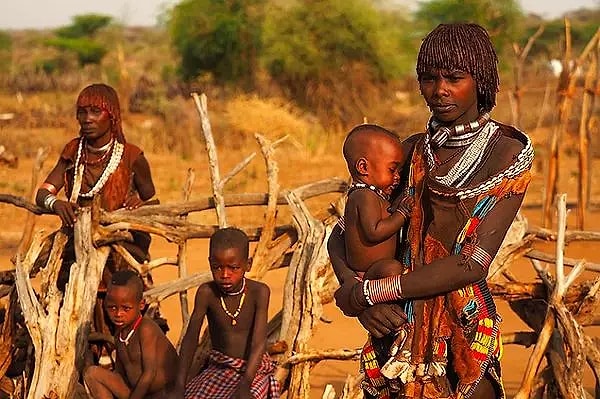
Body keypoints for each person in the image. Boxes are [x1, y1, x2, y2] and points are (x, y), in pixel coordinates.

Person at [328, 23, 534, 399]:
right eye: (428, 78)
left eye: (455, 78)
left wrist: (372, 292)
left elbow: (473, 263)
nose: (439, 90)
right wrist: (353, 293)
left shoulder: (507, 154)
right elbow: (341, 233)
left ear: (481, 79)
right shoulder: (405, 153)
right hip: (397, 327)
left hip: (462, 329)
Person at [35, 83, 157, 341]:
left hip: (120, 248)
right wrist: (56, 205)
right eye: (81, 112)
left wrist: (139, 206)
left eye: (95, 112)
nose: (87, 119)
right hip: (76, 246)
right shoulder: (72, 152)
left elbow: (154, 202)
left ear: (111, 116)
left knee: (119, 294)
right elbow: (43, 193)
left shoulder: (131, 157)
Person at [176, 227, 280, 399]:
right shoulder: (206, 293)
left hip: (253, 370)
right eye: (217, 267)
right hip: (219, 366)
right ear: (210, 262)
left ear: (248, 265)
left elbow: (259, 343)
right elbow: (190, 339)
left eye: (233, 268)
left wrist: (245, 386)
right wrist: (179, 385)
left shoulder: (259, 292)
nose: (225, 274)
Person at [84, 270, 179, 398]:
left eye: (126, 308)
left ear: (141, 305)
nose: (118, 314)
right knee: (92, 374)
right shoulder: (120, 334)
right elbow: (120, 374)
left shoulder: (146, 329)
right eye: (112, 307)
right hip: (136, 393)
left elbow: (149, 373)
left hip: (163, 394)